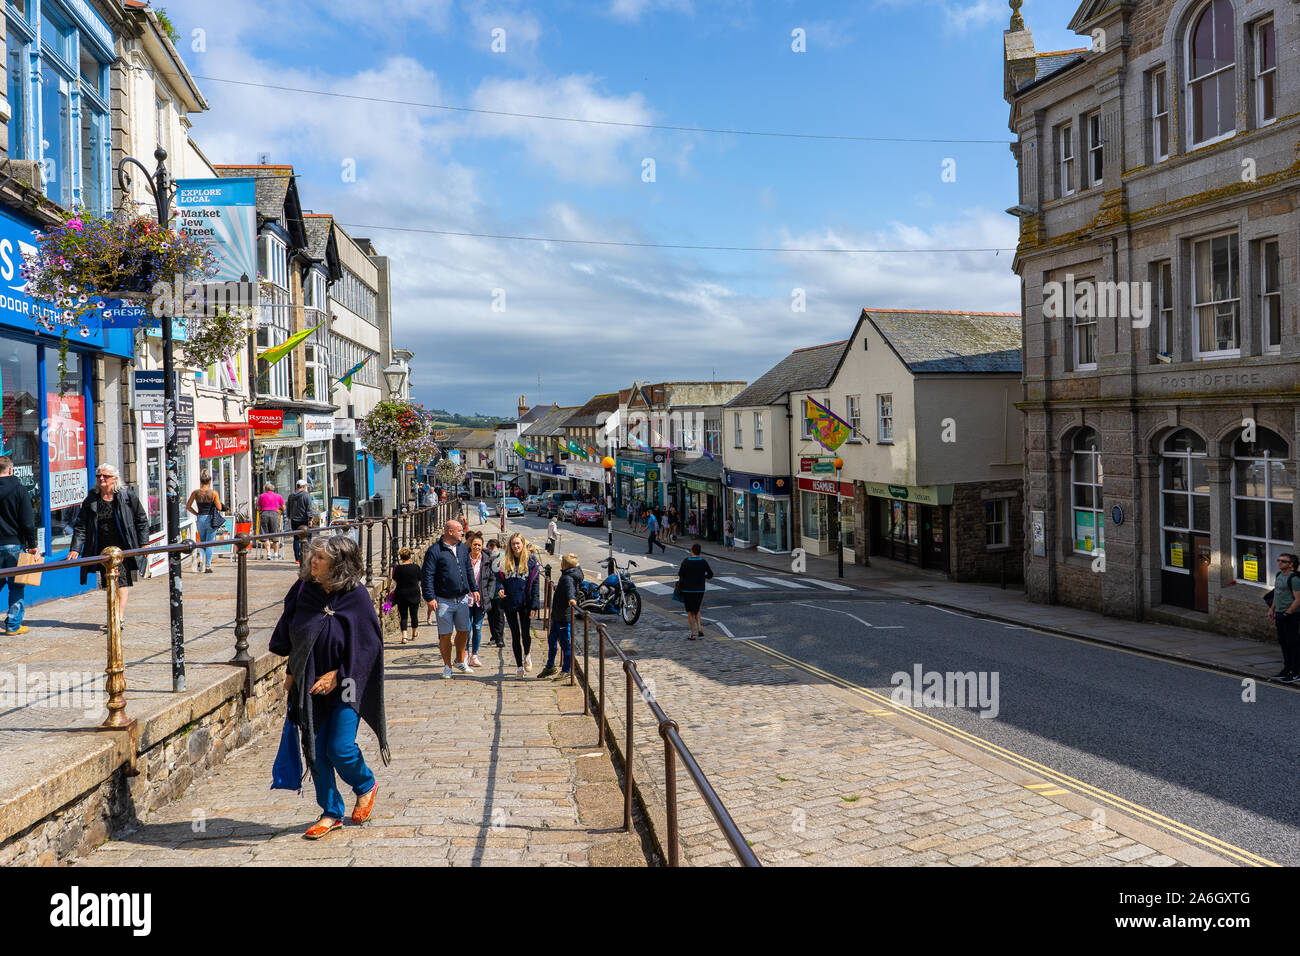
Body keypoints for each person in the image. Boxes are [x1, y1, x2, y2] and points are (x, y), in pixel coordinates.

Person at [269, 534, 389, 839]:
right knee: (316, 750)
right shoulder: (304, 591)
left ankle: (365, 784)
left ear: (339, 564)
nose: (313, 561)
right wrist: (292, 671)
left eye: (321, 558)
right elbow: (297, 634)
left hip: (349, 682)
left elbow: (368, 646)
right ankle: (331, 811)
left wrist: (338, 675)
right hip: (309, 682)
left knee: (340, 747)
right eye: (313, 555)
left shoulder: (356, 595)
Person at [67, 464, 148, 631]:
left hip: (123, 546)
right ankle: (113, 615)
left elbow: (141, 519)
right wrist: (75, 548)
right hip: (101, 547)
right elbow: (81, 526)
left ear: (115, 478)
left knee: (122, 580)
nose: (101, 479)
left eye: (105, 476)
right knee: (109, 582)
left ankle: (119, 618)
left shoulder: (126, 495)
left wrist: (144, 543)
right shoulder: (91, 499)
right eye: (98, 476)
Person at [421, 518, 475, 678]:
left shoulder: (463, 549)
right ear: (450, 532)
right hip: (443, 599)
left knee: (464, 630)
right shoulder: (435, 551)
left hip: (462, 597)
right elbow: (427, 575)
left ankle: (460, 660)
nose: (462, 533)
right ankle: (447, 666)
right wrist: (430, 597)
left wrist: (474, 588)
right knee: (445, 634)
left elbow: (468, 569)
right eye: (459, 530)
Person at [494, 532, 540, 678]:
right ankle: (519, 666)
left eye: (518, 543)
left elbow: (535, 586)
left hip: (525, 603)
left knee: (525, 633)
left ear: (523, 544)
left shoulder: (531, 563)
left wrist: (534, 606)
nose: (515, 546)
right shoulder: (505, 561)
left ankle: (527, 654)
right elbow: (499, 580)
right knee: (514, 635)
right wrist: (500, 588)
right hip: (510, 601)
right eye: (513, 544)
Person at [0, 456, 37, 635]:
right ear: (10, 470)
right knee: (16, 586)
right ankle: (13, 625)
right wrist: (33, 544)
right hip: (14, 545)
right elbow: (28, 522)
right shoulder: (19, 490)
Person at [538, 553, 582, 680]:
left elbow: (570, 591)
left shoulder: (567, 578)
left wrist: (572, 599)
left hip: (564, 617)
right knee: (552, 640)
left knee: (565, 644)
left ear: (563, 565)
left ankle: (566, 669)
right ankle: (550, 666)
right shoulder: (568, 575)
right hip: (557, 616)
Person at [1267, 552, 1300, 683]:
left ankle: (1296, 671)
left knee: (1293, 643)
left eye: (1283, 561)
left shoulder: (1295, 579)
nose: (1279, 563)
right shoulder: (1279, 575)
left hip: (1291, 615)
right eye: (1278, 560)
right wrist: (1272, 608)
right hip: (1280, 614)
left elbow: (1298, 599)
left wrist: (1288, 613)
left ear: (1291, 565)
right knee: (1283, 642)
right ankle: (1287, 668)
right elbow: (1277, 594)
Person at [185, 473, 224, 573]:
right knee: (209, 543)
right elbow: (219, 507)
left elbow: (188, 506)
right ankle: (207, 566)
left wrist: (196, 513)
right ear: (210, 481)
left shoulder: (195, 493)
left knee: (202, 542)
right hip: (210, 519)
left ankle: (201, 560)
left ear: (201, 481)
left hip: (200, 518)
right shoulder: (214, 493)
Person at [677, 543, 714, 640]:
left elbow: (680, 574)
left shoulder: (686, 561)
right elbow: (710, 574)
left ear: (692, 551)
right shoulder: (703, 562)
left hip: (688, 590)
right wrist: (703, 577)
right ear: (700, 552)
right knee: (697, 609)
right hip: (700, 590)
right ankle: (700, 629)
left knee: (690, 611)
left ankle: (693, 634)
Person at [465, 532, 489, 667]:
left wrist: (488, 595)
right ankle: (465, 653)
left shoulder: (486, 560)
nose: (477, 547)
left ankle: (475, 655)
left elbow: (491, 579)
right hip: (466, 598)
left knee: (478, 627)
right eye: (475, 544)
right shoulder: (464, 558)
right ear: (470, 545)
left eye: (479, 545)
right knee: (467, 628)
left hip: (481, 600)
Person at [389, 546, 423, 644]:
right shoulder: (415, 567)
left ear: (401, 557)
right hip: (414, 594)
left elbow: (394, 579)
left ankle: (404, 636)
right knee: (414, 615)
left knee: (403, 616)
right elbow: (420, 578)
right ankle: (414, 634)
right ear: (410, 556)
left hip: (401, 594)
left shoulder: (397, 569)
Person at [287, 479, 316, 563]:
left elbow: (288, 507)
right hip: (304, 519)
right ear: (303, 487)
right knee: (308, 537)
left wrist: (289, 516)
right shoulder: (306, 495)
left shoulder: (291, 495)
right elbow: (309, 508)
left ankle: (297, 558)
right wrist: (310, 519)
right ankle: (306, 555)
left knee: (296, 538)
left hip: (294, 520)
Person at [484, 538, 506, 647]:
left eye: (492, 548)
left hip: (499, 591)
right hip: (488, 591)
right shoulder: (487, 558)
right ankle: (494, 636)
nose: (491, 551)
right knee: (491, 615)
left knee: (499, 615)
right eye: (489, 548)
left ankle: (499, 638)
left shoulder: (502, 558)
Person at [257, 482, 286, 560]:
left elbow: (258, 508)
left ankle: (269, 553)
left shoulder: (262, 496)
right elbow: (283, 508)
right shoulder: (278, 496)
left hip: (264, 514)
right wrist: (277, 507)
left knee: (265, 533)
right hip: (274, 514)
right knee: (275, 533)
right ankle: (276, 554)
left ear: (265, 489)